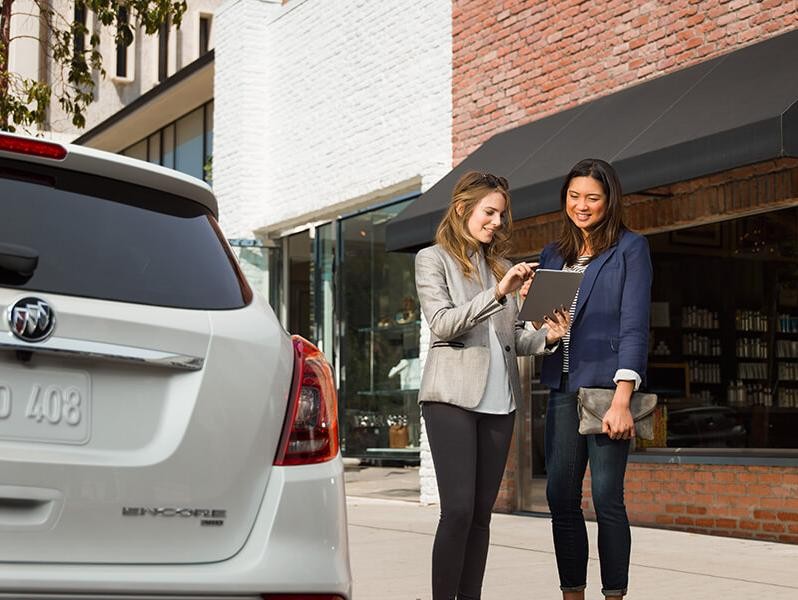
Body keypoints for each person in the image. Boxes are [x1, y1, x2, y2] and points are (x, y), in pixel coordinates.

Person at [415, 170, 570, 600]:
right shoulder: (433, 259)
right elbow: (443, 324)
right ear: (463, 208)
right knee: (459, 509)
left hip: (501, 403)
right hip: (451, 399)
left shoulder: (502, 268)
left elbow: (513, 339)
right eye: (489, 212)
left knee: (482, 514)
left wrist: (549, 337)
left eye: (502, 214)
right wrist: (499, 293)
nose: (497, 222)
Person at [523, 158, 652, 599]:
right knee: (560, 497)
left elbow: (634, 325)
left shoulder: (630, 249)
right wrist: (532, 308)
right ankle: (571, 594)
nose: (581, 205)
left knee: (606, 498)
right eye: (574, 196)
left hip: (604, 392)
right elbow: (541, 329)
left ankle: (614, 594)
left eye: (592, 198)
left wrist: (623, 398)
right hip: (560, 388)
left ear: (608, 200)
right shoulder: (553, 255)